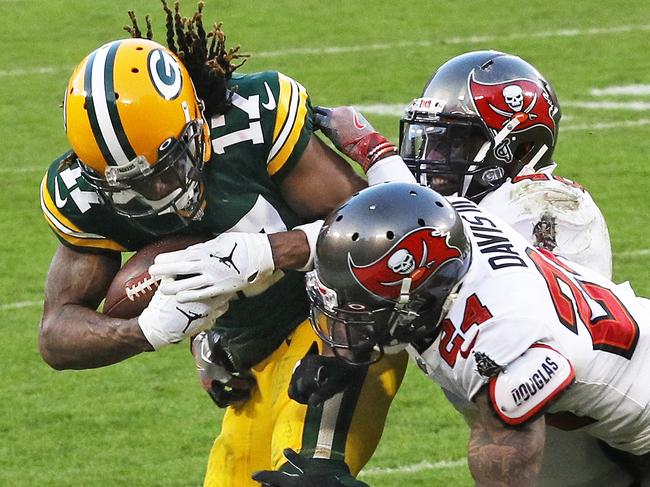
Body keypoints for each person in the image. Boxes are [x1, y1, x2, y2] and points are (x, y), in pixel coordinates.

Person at [38, 3, 414, 486]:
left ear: (195, 123)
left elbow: (384, 233)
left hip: (341, 326)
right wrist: (150, 331)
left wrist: (267, 253)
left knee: (306, 474)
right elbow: (55, 334)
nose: (152, 195)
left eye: (164, 169)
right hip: (256, 354)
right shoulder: (82, 194)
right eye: (124, 186)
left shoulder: (250, 121)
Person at [311, 50, 625, 486]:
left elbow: (452, 245)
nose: (434, 158)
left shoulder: (547, 207)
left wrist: (378, 157)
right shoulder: (474, 209)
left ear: (521, 147)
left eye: (453, 144)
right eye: (430, 139)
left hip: (592, 444)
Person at [289, 181, 650, 486]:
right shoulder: (447, 226)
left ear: (413, 294)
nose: (349, 324)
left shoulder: (501, 339)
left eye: (360, 309)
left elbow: (505, 473)